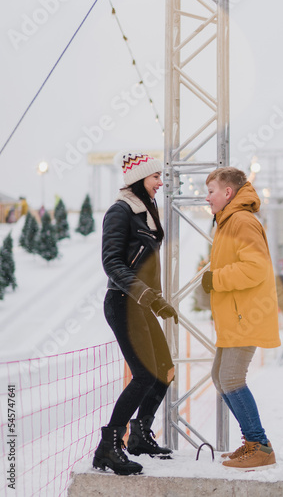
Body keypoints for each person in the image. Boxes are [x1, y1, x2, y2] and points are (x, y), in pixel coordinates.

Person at [93, 153, 177, 476]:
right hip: (122, 303)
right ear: (140, 178)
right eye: (155, 176)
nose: (160, 182)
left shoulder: (146, 212)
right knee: (144, 374)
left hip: (141, 303)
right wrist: (146, 295)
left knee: (165, 369)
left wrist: (156, 300)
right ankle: (109, 447)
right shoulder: (120, 211)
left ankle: (140, 435)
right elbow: (112, 263)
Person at [201, 167, 281, 470]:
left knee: (232, 379)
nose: (206, 197)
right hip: (235, 316)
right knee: (220, 377)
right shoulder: (228, 222)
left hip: (245, 315)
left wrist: (215, 279)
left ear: (228, 193)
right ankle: (252, 443)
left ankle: (259, 445)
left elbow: (256, 268)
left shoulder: (242, 222)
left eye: (211, 191)